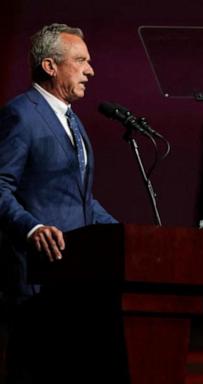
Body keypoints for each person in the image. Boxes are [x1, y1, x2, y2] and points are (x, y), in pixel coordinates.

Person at [0, 23, 128, 383]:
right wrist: (33, 228)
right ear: (50, 66)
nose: (91, 70)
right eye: (81, 60)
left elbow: (79, 197)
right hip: (38, 283)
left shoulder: (73, 122)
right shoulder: (21, 115)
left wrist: (123, 235)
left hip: (76, 286)